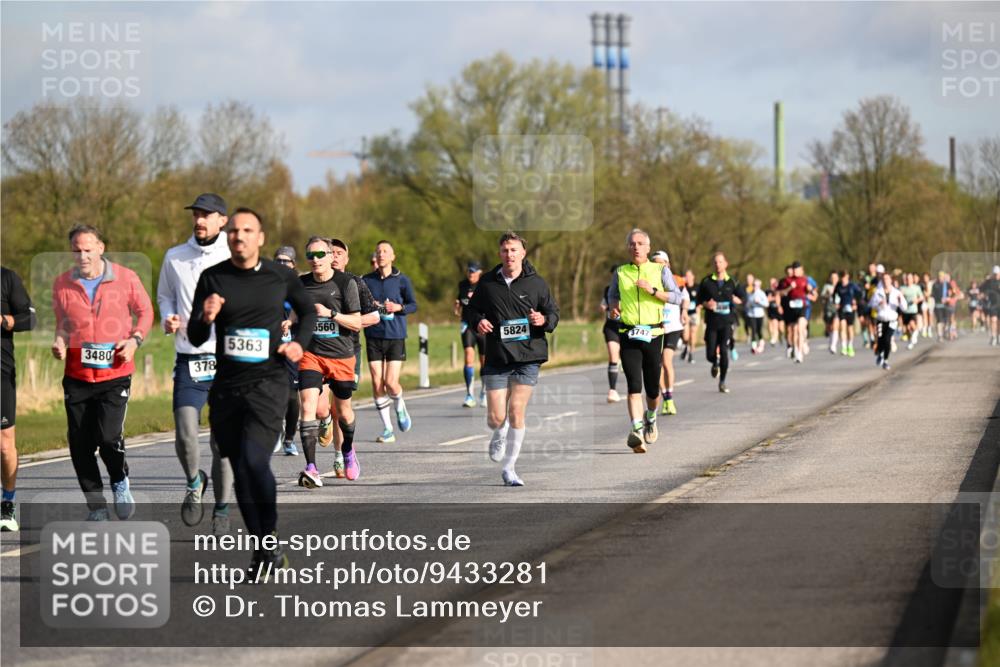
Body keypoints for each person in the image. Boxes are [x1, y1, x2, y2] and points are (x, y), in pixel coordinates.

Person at [188, 207, 316, 576]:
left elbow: (307, 313)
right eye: (234, 231)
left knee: (254, 462)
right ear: (228, 237)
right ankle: (264, 549)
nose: (239, 236)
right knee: (240, 471)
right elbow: (196, 336)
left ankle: (269, 540)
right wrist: (205, 317)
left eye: (248, 230)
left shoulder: (279, 276)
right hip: (227, 388)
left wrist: (299, 345)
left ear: (260, 238)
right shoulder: (213, 278)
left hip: (268, 384)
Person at [52, 225, 154, 521]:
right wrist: (59, 341)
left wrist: (134, 340)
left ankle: (120, 481)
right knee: (80, 444)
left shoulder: (125, 277)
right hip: (77, 375)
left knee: (110, 438)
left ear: (100, 247)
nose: (82, 255)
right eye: (76, 250)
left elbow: (145, 313)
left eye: (87, 249)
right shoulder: (62, 284)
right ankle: (96, 506)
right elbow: (63, 324)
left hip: (115, 373)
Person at [157, 193, 234, 534]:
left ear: (223, 220)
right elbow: (165, 295)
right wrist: (168, 316)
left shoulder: (235, 258)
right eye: (197, 214)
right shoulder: (175, 256)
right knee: (186, 432)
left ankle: (221, 508)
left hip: (227, 360)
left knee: (223, 442)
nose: (200, 220)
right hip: (189, 358)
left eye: (208, 214)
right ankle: (194, 481)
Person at [464, 231, 559, 486]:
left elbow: (553, 312)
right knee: (496, 417)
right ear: (500, 254)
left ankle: (510, 468)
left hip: (528, 355)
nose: (510, 255)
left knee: (517, 409)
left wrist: (544, 319)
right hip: (497, 355)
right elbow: (471, 310)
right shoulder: (487, 283)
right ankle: (499, 430)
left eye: (514, 250)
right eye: (505, 250)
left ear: (523, 253)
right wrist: (479, 321)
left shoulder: (537, 283)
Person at [296, 237, 363, 486]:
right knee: (308, 406)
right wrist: (287, 321)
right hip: (311, 354)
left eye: (320, 254)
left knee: (343, 412)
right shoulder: (301, 284)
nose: (316, 260)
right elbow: (294, 313)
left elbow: (356, 322)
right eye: (310, 256)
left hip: (342, 355)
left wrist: (331, 314)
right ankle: (311, 467)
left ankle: (347, 450)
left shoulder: (346, 283)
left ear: (330, 257)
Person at [362, 241, 417, 443]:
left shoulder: (402, 280)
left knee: (390, 382)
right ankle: (387, 429)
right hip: (373, 335)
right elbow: (359, 303)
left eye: (385, 251)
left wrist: (397, 307)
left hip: (395, 335)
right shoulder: (366, 280)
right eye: (379, 251)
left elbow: (413, 305)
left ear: (393, 256)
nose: (381, 254)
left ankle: (400, 404)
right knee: (377, 382)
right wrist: (371, 307)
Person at [1, 267, 35, 532]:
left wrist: (4, 321)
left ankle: (7, 504)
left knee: (4, 444)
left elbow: (30, 319)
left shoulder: (7, 278)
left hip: (1, 372)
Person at [696, 252, 746, 392]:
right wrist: (707, 304)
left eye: (720, 262)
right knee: (710, 353)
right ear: (713, 265)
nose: (718, 264)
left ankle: (722, 381)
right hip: (712, 322)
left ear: (726, 264)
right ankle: (714, 362)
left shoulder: (733, 282)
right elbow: (699, 300)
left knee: (724, 349)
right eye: (715, 262)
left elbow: (743, 298)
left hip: (727, 322)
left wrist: (739, 300)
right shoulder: (706, 282)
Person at [650, 250, 688, 416]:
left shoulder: (677, 280)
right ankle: (665, 397)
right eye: (655, 263)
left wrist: (684, 311)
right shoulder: (648, 281)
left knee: (666, 361)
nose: (659, 265)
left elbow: (684, 298)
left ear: (667, 264)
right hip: (655, 327)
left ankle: (669, 398)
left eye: (661, 262)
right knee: (656, 366)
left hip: (673, 327)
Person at [273, 246, 301, 457]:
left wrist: (291, 322)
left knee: (292, 398)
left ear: (293, 265)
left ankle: (289, 438)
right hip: (271, 346)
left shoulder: (300, 287)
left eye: (286, 261)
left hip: (293, 346)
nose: (282, 265)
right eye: (278, 261)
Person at [455, 261, 487, 407]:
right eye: (469, 271)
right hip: (468, 325)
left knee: (484, 362)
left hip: (483, 326)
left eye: (473, 272)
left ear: (480, 272)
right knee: (468, 358)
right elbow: (460, 300)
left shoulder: (485, 285)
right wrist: (457, 306)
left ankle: (485, 392)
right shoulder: (462, 285)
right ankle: (469, 394)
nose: (470, 274)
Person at [869, 271, 906, 370]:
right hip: (881, 319)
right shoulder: (878, 292)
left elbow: (904, 307)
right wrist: (878, 304)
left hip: (892, 320)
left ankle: (885, 360)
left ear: (891, 280)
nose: (886, 281)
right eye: (884, 279)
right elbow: (871, 304)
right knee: (880, 340)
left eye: (887, 279)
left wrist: (900, 301)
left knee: (888, 339)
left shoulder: (896, 292)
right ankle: (879, 354)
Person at [777, 261, 809, 363]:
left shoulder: (805, 279)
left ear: (801, 270)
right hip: (791, 308)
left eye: (797, 269)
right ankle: (795, 349)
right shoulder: (787, 280)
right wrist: (790, 287)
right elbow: (780, 293)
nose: (795, 271)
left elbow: (809, 292)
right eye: (794, 269)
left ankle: (799, 353)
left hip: (802, 307)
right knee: (793, 330)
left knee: (800, 329)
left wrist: (809, 290)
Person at [600, 266, 623, 403]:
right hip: (612, 327)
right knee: (613, 356)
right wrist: (604, 307)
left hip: (628, 327)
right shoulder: (608, 289)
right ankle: (612, 390)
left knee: (628, 359)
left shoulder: (630, 288)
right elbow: (603, 304)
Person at [833, 270, 863, 356]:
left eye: (844, 277)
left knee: (850, 328)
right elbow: (834, 295)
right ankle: (844, 347)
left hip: (850, 308)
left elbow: (860, 294)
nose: (843, 279)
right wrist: (836, 303)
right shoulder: (838, 286)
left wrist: (856, 303)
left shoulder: (852, 286)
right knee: (842, 327)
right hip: (842, 308)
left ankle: (850, 345)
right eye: (842, 277)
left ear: (847, 277)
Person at [899, 272, 924, 350]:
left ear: (912, 279)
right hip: (905, 310)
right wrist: (901, 297)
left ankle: (914, 337)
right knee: (908, 328)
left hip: (913, 310)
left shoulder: (916, 288)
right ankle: (911, 341)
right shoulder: (902, 288)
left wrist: (916, 300)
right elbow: (898, 298)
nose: (908, 280)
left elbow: (922, 297)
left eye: (910, 278)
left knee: (912, 324)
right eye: (907, 278)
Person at [680, 270, 700, 364]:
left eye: (689, 276)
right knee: (685, 335)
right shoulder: (683, 287)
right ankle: (685, 346)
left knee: (693, 334)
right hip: (686, 313)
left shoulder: (697, 287)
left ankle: (691, 353)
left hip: (694, 313)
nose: (687, 278)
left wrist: (699, 309)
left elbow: (701, 300)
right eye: (686, 276)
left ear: (693, 276)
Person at [746, 278, 768, 355]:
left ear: (759, 286)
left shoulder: (762, 293)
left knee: (759, 330)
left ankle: (761, 344)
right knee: (753, 330)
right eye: (754, 285)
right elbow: (747, 304)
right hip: (751, 314)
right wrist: (750, 304)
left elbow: (766, 304)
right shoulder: (750, 293)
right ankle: (753, 347)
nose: (755, 286)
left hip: (760, 314)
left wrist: (759, 302)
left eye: (756, 285)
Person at [981, 266, 1000, 347]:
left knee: (999, 322)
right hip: (993, 304)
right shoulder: (989, 282)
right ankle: (993, 336)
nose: (996, 275)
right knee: (993, 320)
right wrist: (984, 294)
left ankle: (998, 336)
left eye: (997, 274)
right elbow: (981, 289)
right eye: (995, 274)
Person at [821, 272, 838, 352]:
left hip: (838, 308)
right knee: (830, 327)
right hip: (829, 308)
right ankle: (831, 341)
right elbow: (822, 297)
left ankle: (833, 345)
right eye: (832, 277)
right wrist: (828, 295)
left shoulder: (840, 286)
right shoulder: (827, 286)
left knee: (835, 325)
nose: (834, 279)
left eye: (835, 277)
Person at [766, 277, 782, 347]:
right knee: (774, 324)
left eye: (773, 282)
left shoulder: (779, 290)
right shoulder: (767, 291)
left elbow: (780, 298)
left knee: (781, 328)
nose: (772, 284)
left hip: (779, 310)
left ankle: (780, 335)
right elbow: (766, 299)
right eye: (771, 282)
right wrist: (773, 298)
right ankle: (774, 339)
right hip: (771, 310)